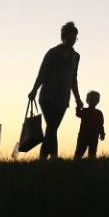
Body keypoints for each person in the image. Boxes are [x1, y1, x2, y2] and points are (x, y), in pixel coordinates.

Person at [28, 21, 82, 160]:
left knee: (52, 129)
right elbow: (42, 73)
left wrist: (78, 99)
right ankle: (54, 157)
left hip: (63, 98)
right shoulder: (53, 52)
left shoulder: (76, 57)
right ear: (63, 36)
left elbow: (73, 80)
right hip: (47, 97)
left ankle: (44, 159)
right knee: (52, 127)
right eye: (70, 36)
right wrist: (34, 90)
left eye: (75, 37)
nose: (72, 40)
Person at [74, 90, 105, 159]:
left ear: (98, 101)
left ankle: (88, 165)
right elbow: (78, 114)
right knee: (79, 152)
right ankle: (76, 164)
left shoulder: (98, 113)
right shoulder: (85, 111)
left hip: (93, 136)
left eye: (96, 99)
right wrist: (78, 106)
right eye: (92, 99)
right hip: (84, 136)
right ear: (87, 100)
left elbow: (101, 125)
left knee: (92, 153)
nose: (93, 101)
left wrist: (102, 133)